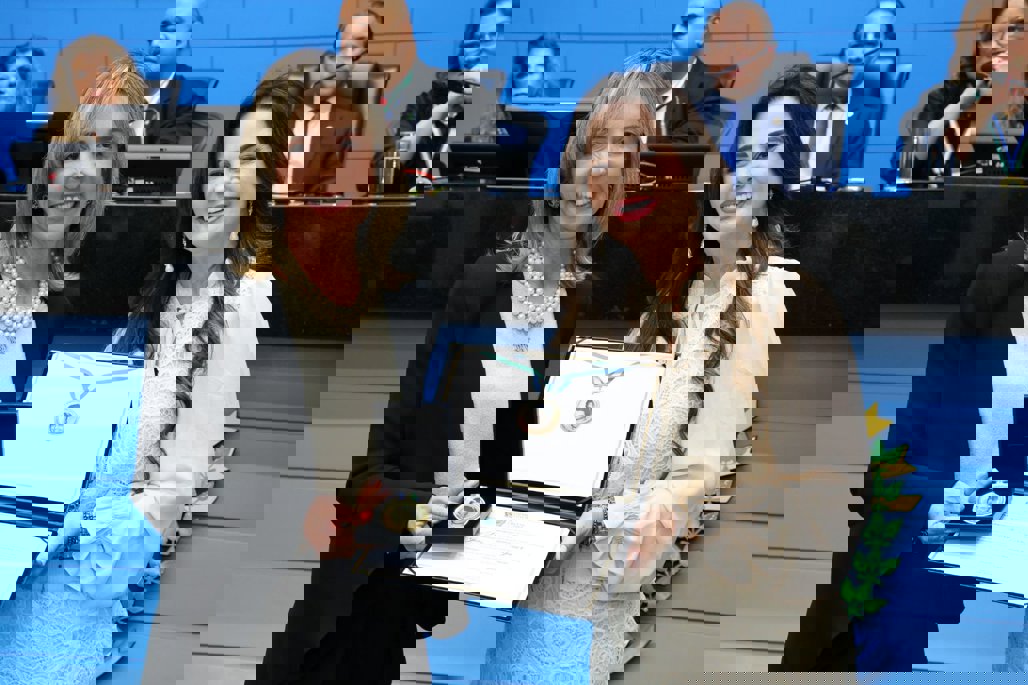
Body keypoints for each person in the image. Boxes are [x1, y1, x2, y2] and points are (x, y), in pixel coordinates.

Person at [898, 0, 1028, 181]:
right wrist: (957, 108)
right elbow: (907, 168)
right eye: (988, 35)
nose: (1000, 43)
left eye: (1015, 28)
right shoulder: (946, 98)